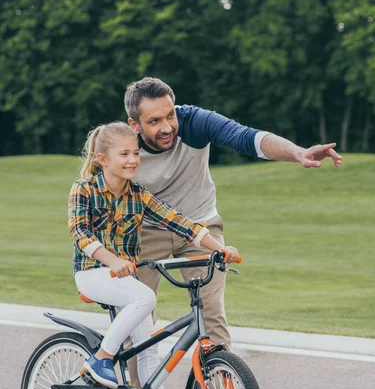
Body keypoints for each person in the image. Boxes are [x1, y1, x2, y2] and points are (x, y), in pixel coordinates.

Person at [123, 77, 343, 365]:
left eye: (170, 114)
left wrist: (297, 152)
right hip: (146, 232)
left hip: (200, 228)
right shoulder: (124, 145)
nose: (167, 127)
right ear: (134, 125)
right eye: (154, 121)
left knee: (211, 319)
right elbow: (96, 193)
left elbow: (246, 137)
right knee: (137, 323)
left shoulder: (194, 122)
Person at [68, 121, 239, 389]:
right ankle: (101, 358)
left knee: (148, 346)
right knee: (144, 298)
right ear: (103, 158)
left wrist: (220, 248)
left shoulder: (139, 195)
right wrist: (112, 260)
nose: (133, 159)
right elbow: (80, 233)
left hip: (124, 280)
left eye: (135, 153)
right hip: (93, 272)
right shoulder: (84, 189)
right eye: (124, 154)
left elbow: (181, 223)